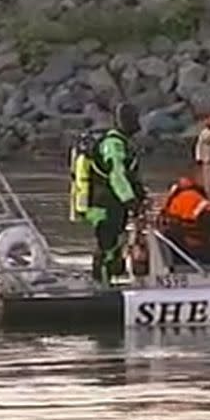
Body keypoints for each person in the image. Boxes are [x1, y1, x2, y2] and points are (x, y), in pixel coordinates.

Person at [84, 102, 146, 286]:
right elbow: (116, 175)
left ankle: (107, 280)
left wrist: (139, 194)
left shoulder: (123, 143)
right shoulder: (113, 145)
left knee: (115, 244)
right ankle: (101, 285)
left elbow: (128, 175)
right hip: (104, 205)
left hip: (112, 204)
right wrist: (131, 201)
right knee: (108, 246)